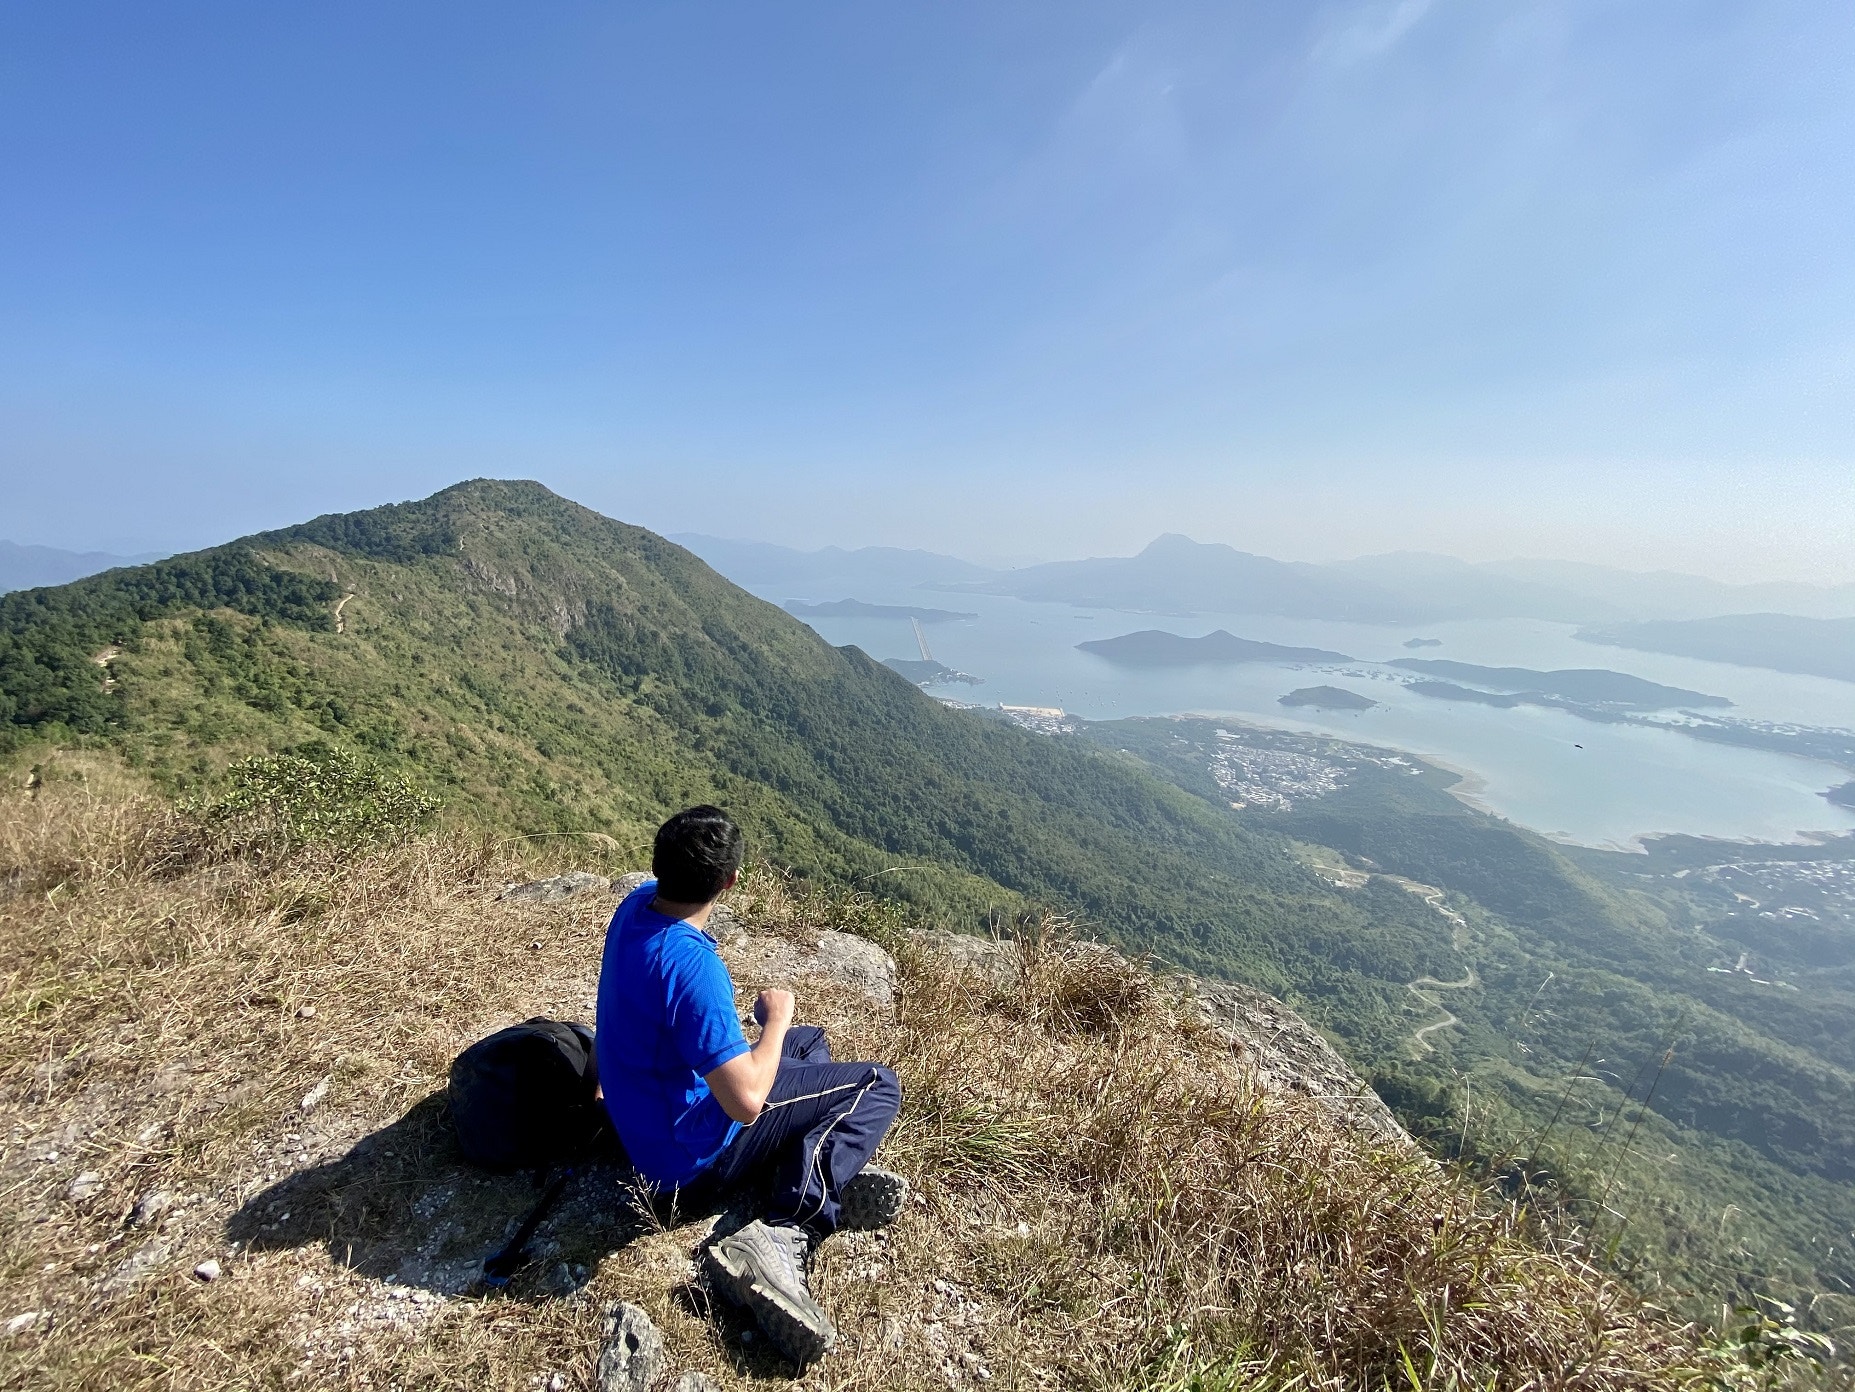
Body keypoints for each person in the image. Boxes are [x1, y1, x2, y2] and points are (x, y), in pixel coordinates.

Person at [595, 806, 906, 1363]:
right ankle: (789, 1229)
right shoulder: (689, 966)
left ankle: (811, 1160)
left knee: (809, 1048)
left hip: (644, 1125)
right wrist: (775, 1020)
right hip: (683, 1167)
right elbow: (744, 1102)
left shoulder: (634, 907)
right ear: (729, 881)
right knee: (876, 1084)